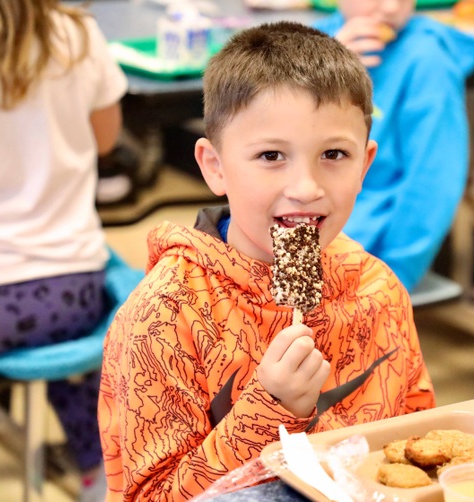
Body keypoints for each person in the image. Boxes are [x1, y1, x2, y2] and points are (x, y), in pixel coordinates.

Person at [97, 21, 435, 501]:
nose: (305, 187)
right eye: (272, 155)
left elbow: (416, 450)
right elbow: (149, 496)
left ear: (364, 165)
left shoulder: (379, 292)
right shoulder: (163, 316)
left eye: (334, 154)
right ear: (214, 166)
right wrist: (271, 406)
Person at [0, 0, 128, 500]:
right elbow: (107, 140)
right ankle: (97, 462)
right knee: (112, 280)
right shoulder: (76, 34)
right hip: (66, 300)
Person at [313, 0, 474, 292]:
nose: (392, 8)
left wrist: (396, 274)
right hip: (298, 226)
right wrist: (325, 70)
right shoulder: (314, 41)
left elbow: (433, 183)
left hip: (366, 251)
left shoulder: (428, 62)